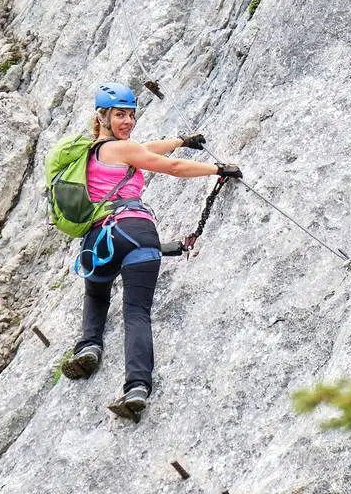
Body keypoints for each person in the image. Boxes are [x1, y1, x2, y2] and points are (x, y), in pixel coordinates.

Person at [60, 82, 242, 421]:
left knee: (97, 294)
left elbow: (147, 148)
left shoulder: (90, 153)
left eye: (131, 114)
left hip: (101, 241)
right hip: (136, 233)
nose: (128, 121)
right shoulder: (124, 150)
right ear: (102, 117)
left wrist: (181, 142)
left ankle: (89, 347)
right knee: (136, 313)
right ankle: (137, 388)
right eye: (120, 115)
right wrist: (217, 169)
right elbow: (169, 167)